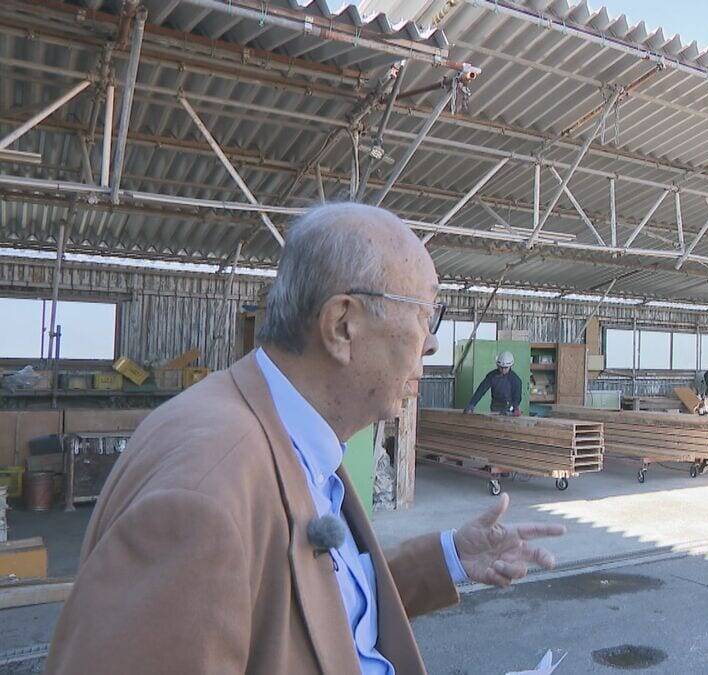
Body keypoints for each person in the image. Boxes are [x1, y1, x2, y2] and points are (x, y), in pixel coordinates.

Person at [48, 204, 566, 674]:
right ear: (342, 325)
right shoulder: (206, 491)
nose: (430, 343)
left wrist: (449, 556)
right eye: (424, 314)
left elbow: (314, 603)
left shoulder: (293, 435)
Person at [464, 351, 523, 416]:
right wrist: (472, 404)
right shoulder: (492, 376)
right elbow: (481, 390)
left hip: (510, 410)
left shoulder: (516, 380)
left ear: (510, 366)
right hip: (495, 408)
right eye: (501, 367)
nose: (503, 370)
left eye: (506, 368)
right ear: (497, 365)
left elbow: (517, 398)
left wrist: (514, 408)